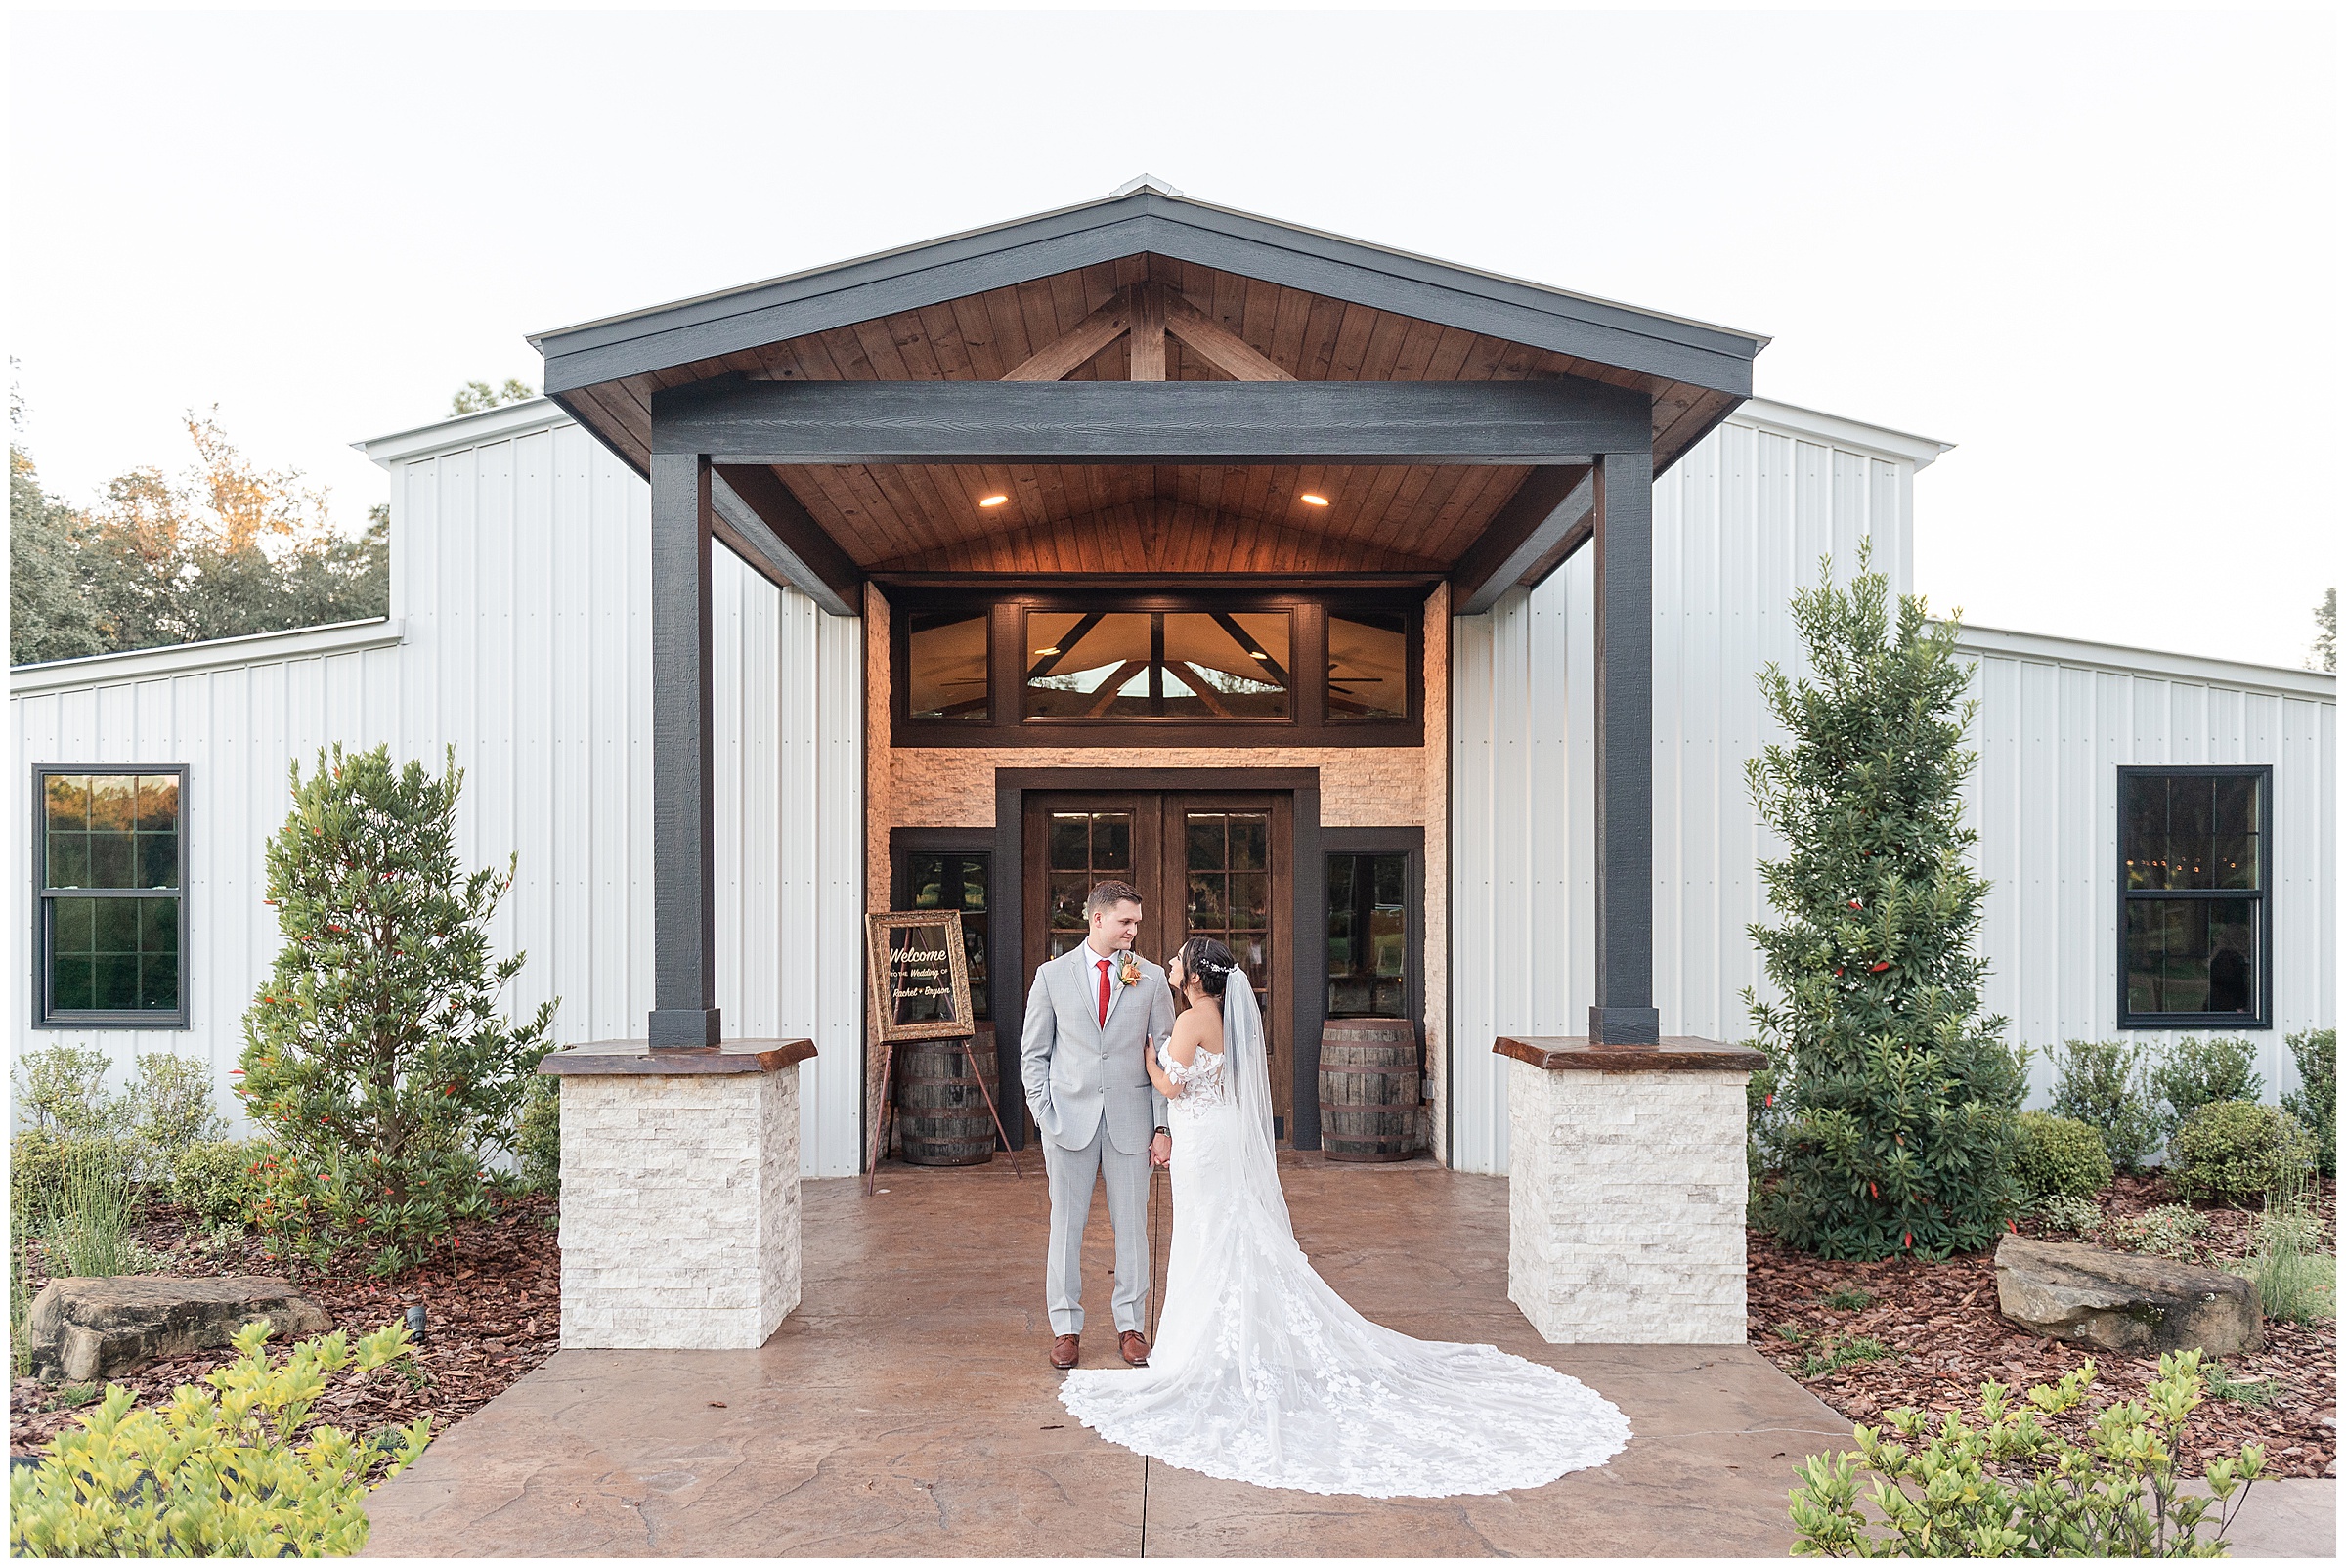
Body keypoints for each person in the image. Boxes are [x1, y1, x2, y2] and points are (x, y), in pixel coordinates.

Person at [1059, 937, 1631, 1499]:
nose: (1172, 965)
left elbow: (1173, 1087)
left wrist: (1145, 1059)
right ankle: (1231, 1343)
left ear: (1196, 978)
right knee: (1229, 1234)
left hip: (1203, 1142)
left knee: (1209, 1237)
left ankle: (1205, 1352)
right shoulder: (1224, 1016)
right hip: (1221, 1137)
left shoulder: (1191, 1021)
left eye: (1180, 962)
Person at [1021, 879, 1176, 1372]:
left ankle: (1130, 1326)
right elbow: (1034, 1053)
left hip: (1132, 1122)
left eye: (1136, 923)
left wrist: (1163, 1126)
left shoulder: (1149, 978)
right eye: (1125, 922)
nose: (1133, 931)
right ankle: (1066, 1328)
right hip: (1067, 1121)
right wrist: (1043, 1112)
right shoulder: (1051, 976)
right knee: (1065, 1226)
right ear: (1098, 920)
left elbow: (1165, 1057)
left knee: (1132, 1228)